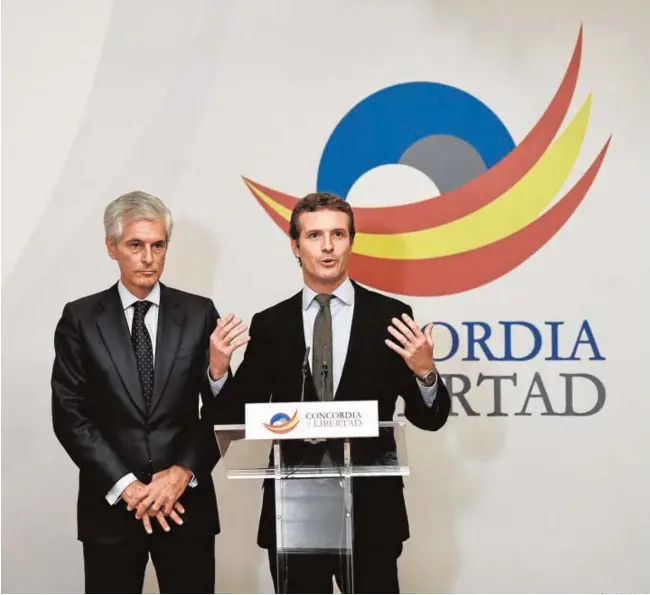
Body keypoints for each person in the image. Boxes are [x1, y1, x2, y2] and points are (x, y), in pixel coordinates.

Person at [211, 192, 451, 593]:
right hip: (295, 510)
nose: (327, 246)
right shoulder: (271, 324)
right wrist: (218, 370)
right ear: (295, 245)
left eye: (338, 234)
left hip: (371, 508)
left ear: (351, 242)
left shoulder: (390, 317)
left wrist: (425, 372)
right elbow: (237, 418)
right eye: (314, 235)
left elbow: (431, 418)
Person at [51, 190, 247, 594]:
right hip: (112, 509)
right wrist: (129, 487)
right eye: (135, 245)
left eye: (158, 245)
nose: (148, 257)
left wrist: (218, 372)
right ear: (111, 247)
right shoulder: (81, 318)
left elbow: (222, 415)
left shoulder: (198, 313)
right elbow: (70, 416)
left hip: (184, 505)